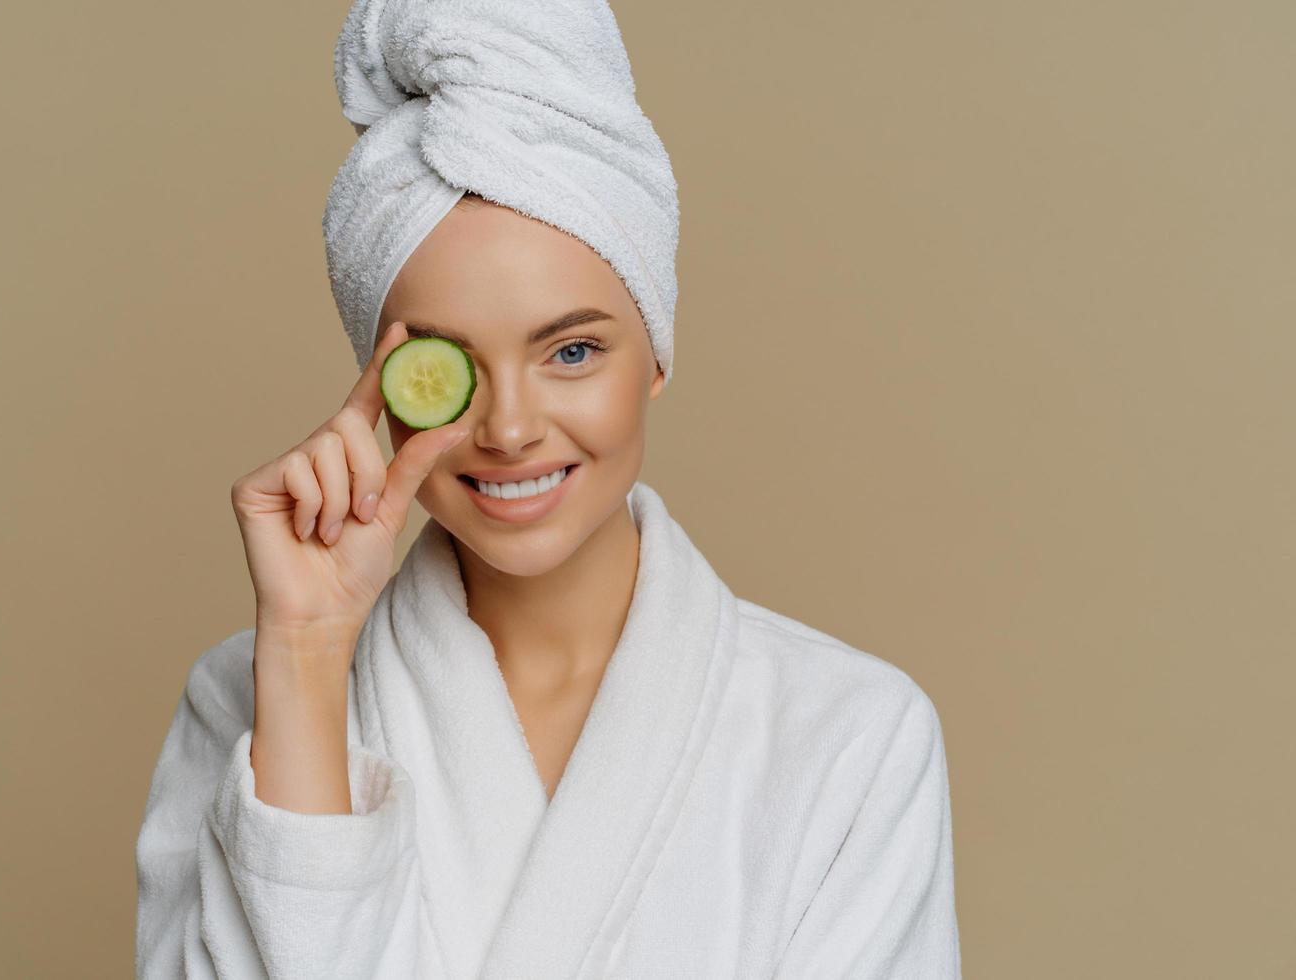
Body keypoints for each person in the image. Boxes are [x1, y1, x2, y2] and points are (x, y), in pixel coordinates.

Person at [136, 2, 961, 977]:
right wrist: (308, 658)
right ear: (380, 387)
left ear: (653, 353)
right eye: (450, 364)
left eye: (572, 349)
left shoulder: (852, 733)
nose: (511, 427)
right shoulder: (248, 695)